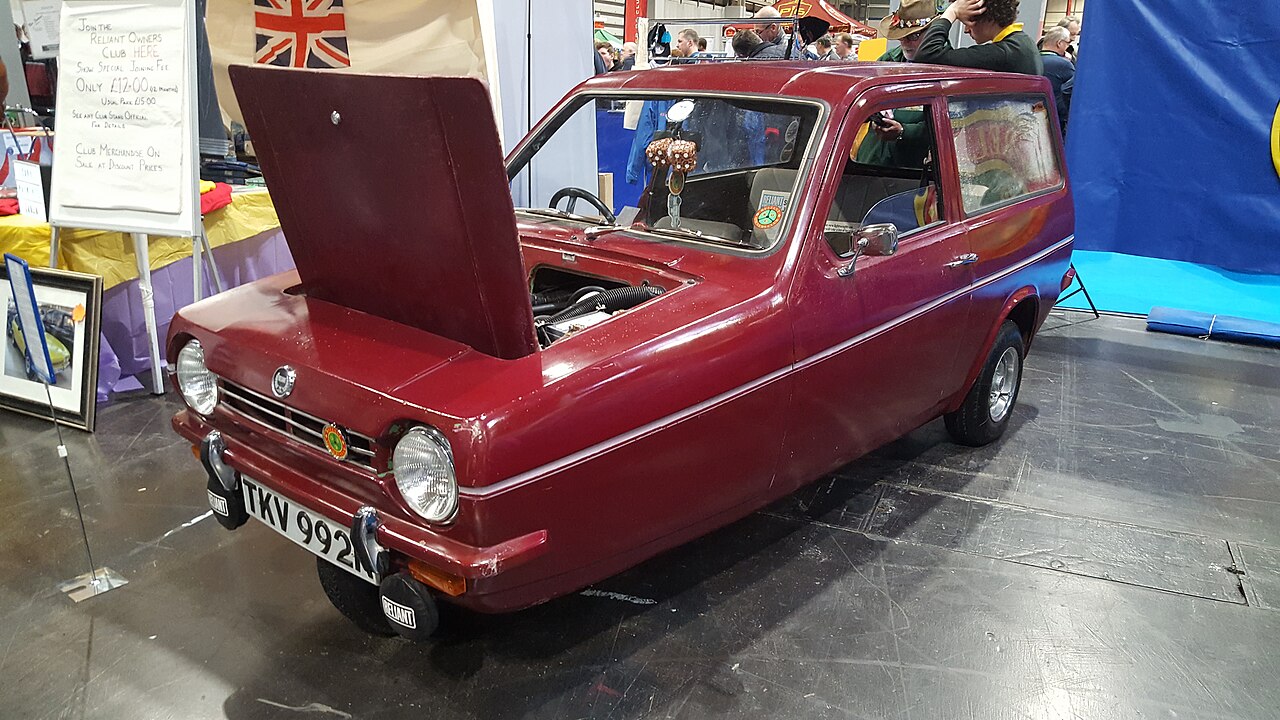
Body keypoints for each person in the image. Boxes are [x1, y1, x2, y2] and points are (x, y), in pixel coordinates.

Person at [913, 0, 1042, 75]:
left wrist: (951, 12)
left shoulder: (1004, 53)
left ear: (987, 15)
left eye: (968, 21)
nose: (966, 30)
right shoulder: (1022, 44)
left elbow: (927, 55)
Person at [1039, 25, 1074, 133]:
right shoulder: (1064, 65)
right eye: (1068, 43)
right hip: (1056, 120)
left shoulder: (1031, 60)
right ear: (1059, 43)